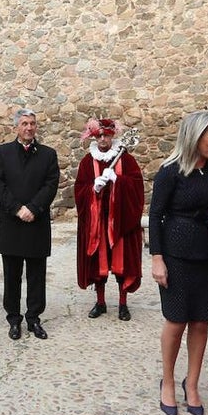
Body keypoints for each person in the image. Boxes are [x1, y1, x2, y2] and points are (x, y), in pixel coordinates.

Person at [149, 111, 208, 415]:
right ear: (194, 137)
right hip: (176, 253)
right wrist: (157, 259)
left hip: (207, 252)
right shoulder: (170, 172)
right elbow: (155, 215)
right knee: (176, 320)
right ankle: (167, 380)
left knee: (200, 322)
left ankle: (191, 383)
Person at [0, 109, 60, 341]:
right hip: (11, 223)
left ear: (36, 127)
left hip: (36, 223)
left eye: (32, 123)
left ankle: (34, 318)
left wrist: (33, 208)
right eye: (24, 124)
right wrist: (17, 208)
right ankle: (13, 319)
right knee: (12, 275)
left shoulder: (48, 154)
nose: (29, 128)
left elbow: (51, 184)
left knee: (36, 275)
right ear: (16, 127)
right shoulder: (2, 152)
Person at [75, 119, 145, 322]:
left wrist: (118, 181)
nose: (103, 139)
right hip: (97, 221)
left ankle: (123, 304)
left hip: (121, 221)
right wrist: (93, 188)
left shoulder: (127, 160)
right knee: (99, 263)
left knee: (121, 262)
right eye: (99, 136)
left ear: (113, 135)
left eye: (106, 135)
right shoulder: (87, 162)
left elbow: (137, 188)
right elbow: (79, 189)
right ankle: (100, 302)